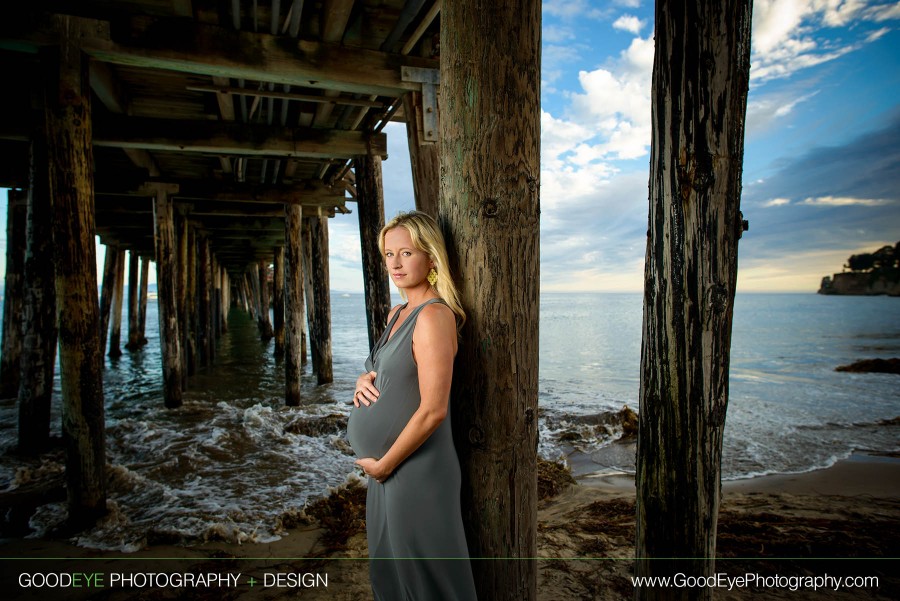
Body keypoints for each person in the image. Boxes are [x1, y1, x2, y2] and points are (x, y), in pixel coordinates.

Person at [346, 211, 477, 601]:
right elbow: (379, 368)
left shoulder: (434, 316)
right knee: (391, 575)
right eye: (389, 254)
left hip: (416, 468)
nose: (396, 263)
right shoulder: (396, 313)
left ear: (432, 259)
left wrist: (385, 465)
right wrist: (361, 378)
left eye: (407, 252)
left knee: (430, 583)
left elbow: (434, 410)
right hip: (385, 469)